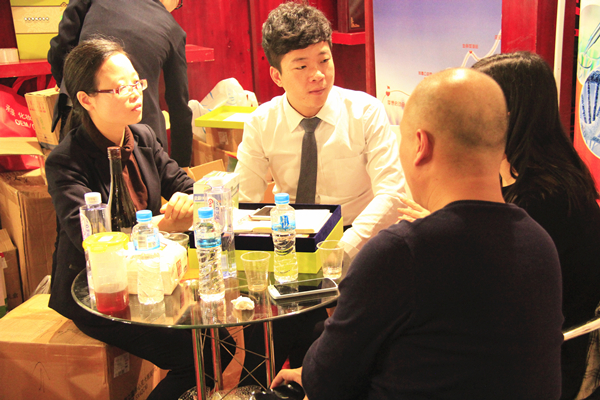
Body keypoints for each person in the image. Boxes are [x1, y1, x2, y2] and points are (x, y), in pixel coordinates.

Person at [272, 68, 564, 399]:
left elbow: (326, 380)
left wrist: (309, 370)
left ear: (420, 145)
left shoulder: (401, 253)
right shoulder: (540, 243)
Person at [45, 38, 228, 400]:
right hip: (98, 293)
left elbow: (188, 187)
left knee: (220, 341)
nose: (135, 93)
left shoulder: (142, 136)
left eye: (137, 82)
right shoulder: (67, 160)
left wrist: (189, 202)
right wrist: (163, 226)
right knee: (200, 356)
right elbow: (93, 240)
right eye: (120, 87)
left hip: (150, 280)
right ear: (86, 99)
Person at [471, 52, 600, 400]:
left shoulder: (545, 196)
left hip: (551, 359)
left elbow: (500, 291)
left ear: (511, 113)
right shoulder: (530, 174)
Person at [234, 2, 405, 261]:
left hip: (359, 237)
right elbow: (245, 201)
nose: (317, 75)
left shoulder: (365, 112)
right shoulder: (261, 123)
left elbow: (392, 193)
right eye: (301, 67)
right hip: (291, 239)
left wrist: (341, 249)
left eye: (324, 60)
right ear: (277, 76)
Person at [48, 0, 193, 167]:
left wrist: (72, 88)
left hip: (85, 111)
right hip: (139, 131)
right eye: (179, 4)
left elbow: (61, 48)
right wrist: (182, 164)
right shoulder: (171, 28)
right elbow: (179, 104)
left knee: (77, 175)